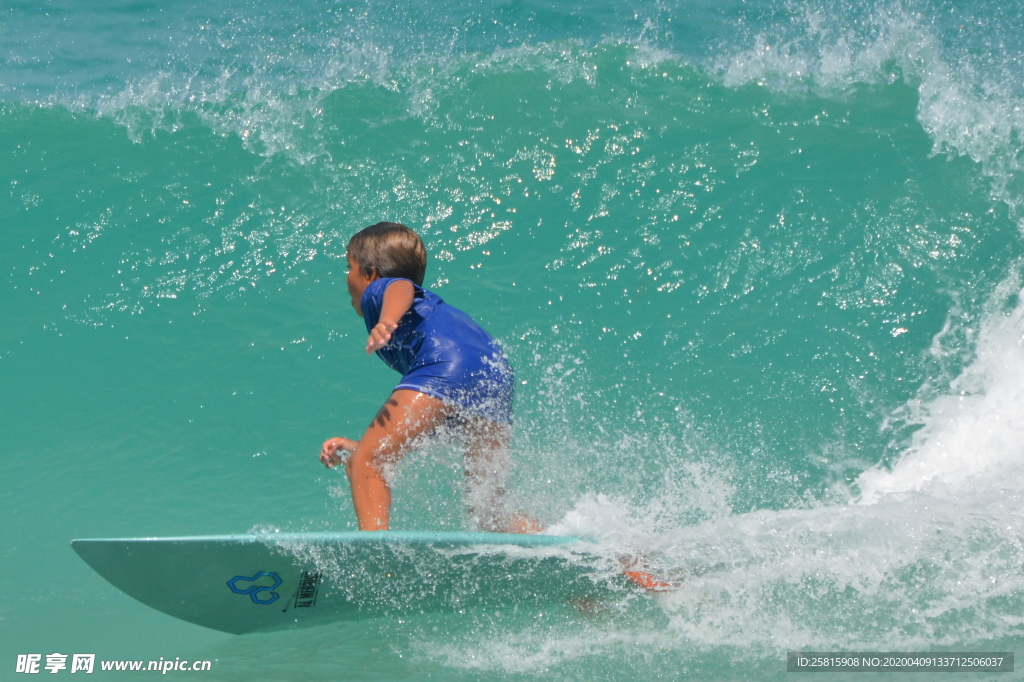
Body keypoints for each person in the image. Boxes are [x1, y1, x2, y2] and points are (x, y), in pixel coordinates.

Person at [320, 222, 539, 534]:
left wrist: (387, 319)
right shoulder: (427, 311)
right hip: (494, 372)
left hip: (449, 362)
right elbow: (429, 419)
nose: (347, 277)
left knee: (367, 462)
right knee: (488, 510)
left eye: (349, 267)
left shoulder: (377, 292)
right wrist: (364, 447)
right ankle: (579, 550)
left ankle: (374, 556)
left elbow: (400, 287)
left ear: (369, 273)